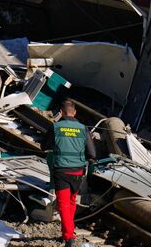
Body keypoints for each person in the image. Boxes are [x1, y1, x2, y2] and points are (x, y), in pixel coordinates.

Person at [42, 100, 96, 247]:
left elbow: (43, 146)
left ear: (61, 112)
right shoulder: (83, 129)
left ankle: (69, 237)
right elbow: (92, 153)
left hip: (62, 171)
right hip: (78, 172)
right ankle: (69, 233)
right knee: (71, 202)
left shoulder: (56, 127)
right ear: (75, 112)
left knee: (63, 205)